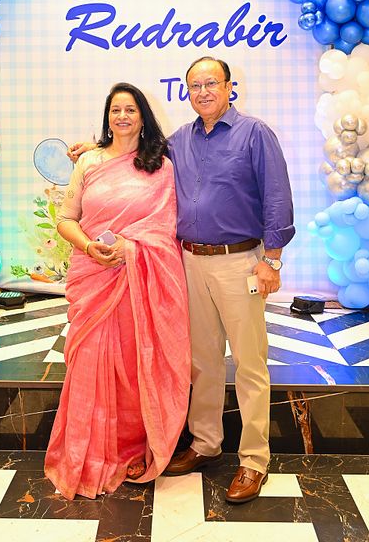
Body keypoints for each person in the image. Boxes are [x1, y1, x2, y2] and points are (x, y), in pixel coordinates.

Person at [69, 57, 295, 504]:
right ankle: (206, 443)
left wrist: (272, 260)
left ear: (229, 87)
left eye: (211, 83)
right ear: (186, 91)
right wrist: (92, 149)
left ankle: (254, 460)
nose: (203, 92)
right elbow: (132, 153)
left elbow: (277, 197)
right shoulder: (180, 141)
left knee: (249, 363)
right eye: (195, 85)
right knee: (202, 361)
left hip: (240, 263)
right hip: (188, 261)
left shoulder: (255, 134)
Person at [45, 82, 191, 500]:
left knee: (132, 366)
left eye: (130, 109)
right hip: (92, 277)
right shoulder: (89, 161)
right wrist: (89, 246)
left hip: (138, 281)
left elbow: (166, 228)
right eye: (115, 110)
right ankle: (87, 451)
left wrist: (132, 249)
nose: (122, 116)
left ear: (143, 116)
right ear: (107, 118)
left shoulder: (160, 165)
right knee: (89, 362)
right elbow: (66, 218)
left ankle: (130, 447)